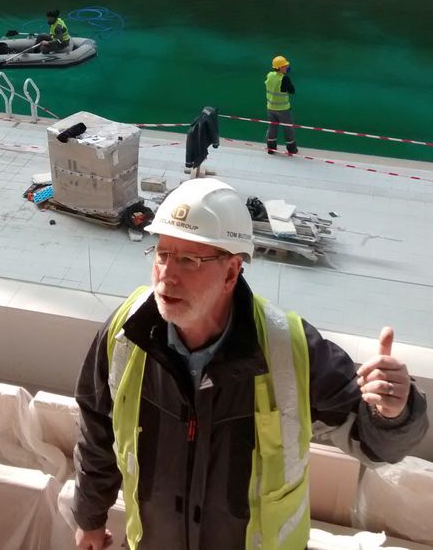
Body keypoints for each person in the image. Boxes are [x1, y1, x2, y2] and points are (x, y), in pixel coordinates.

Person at [72, 178, 428, 550]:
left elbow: (377, 446)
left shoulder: (289, 349)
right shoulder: (126, 333)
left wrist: (396, 412)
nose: (167, 275)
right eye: (162, 254)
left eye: (189, 260)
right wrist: (90, 518)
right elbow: (96, 428)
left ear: (231, 272)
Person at [265, 54, 298, 155]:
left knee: (272, 128)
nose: (287, 67)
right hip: (283, 109)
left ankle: (271, 148)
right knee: (288, 128)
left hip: (270, 108)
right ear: (280, 68)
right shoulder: (284, 79)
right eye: (285, 66)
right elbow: (292, 91)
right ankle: (291, 149)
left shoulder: (270, 75)